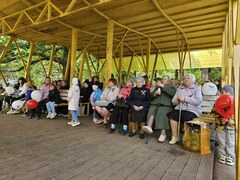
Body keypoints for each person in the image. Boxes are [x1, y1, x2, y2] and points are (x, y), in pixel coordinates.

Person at [168, 74, 202, 144]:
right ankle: (174, 136)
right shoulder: (180, 88)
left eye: (188, 78)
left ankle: (186, 138)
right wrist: (178, 99)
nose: (186, 79)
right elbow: (173, 101)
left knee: (186, 116)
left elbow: (198, 101)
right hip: (180, 108)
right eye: (184, 78)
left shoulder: (197, 88)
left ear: (193, 80)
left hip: (192, 109)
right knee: (172, 116)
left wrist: (185, 99)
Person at [142, 76, 176, 142]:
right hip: (155, 104)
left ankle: (163, 134)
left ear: (168, 81)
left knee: (162, 113)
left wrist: (163, 86)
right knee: (151, 110)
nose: (163, 80)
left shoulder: (172, 87)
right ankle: (149, 126)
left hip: (166, 106)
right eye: (162, 79)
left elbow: (173, 94)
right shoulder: (158, 87)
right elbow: (150, 96)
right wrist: (155, 93)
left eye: (165, 79)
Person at [215, 85, 235, 166]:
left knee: (230, 142)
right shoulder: (217, 102)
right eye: (222, 92)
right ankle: (222, 155)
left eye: (227, 92)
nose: (224, 94)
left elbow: (236, 114)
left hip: (231, 127)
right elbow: (214, 113)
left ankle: (230, 156)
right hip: (220, 125)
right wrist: (221, 119)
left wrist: (232, 120)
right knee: (221, 141)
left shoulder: (235, 103)